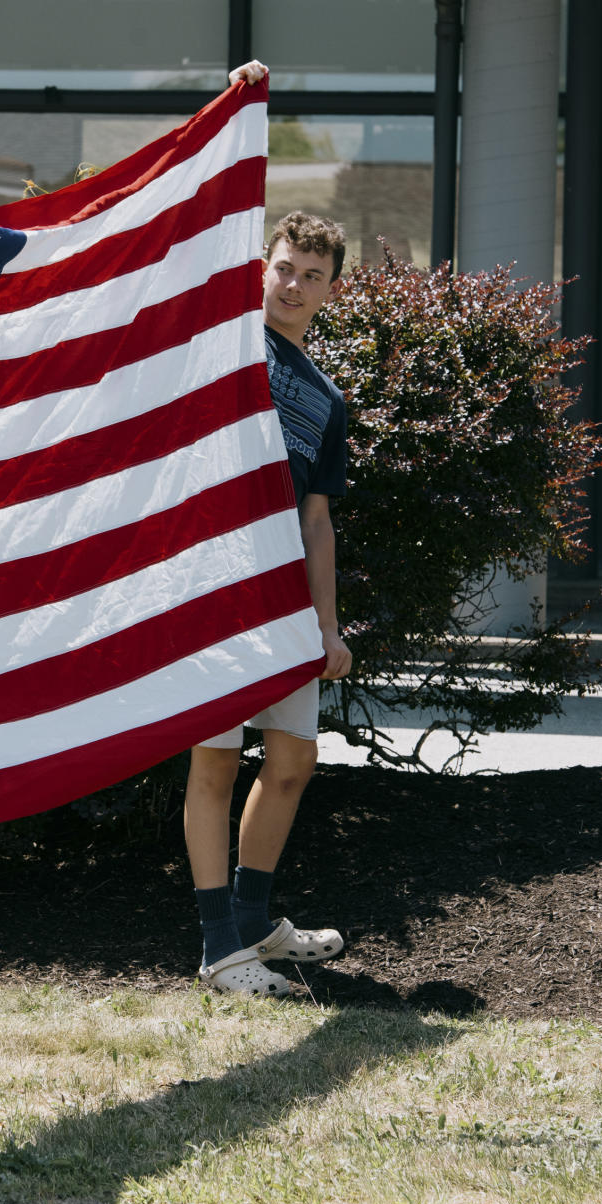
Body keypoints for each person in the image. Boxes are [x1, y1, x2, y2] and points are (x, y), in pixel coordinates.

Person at [185, 62, 352, 999]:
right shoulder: (218, 347)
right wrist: (232, 102)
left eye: (311, 277)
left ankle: (257, 918)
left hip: (286, 603)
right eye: (282, 267)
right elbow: (196, 217)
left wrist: (327, 627)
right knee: (214, 762)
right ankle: (221, 950)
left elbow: (317, 521)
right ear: (264, 266)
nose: (292, 283)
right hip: (212, 594)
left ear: (329, 292)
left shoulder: (326, 399)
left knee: (291, 761)